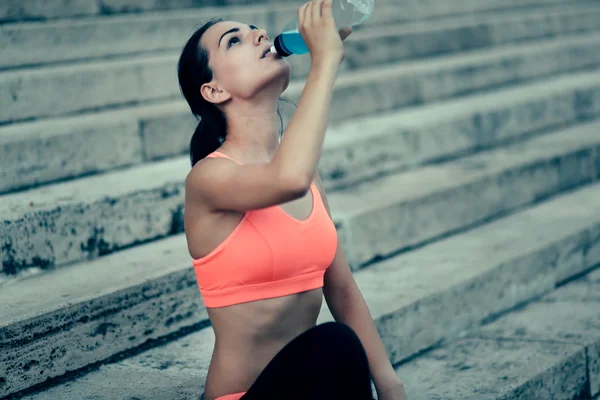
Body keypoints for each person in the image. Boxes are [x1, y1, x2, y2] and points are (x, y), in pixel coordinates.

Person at [178, 0, 407, 399]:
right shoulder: (209, 178)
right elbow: (288, 178)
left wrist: (390, 385)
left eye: (254, 28)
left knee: (337, 346)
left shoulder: (306, 175)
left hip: (311, 388)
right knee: (335, 345)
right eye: (234, 41)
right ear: (213, 89)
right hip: (245, 395)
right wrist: (325, 62)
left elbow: (343, 290)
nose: (259, 35)